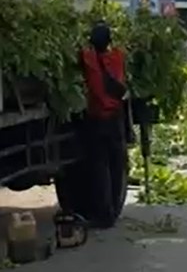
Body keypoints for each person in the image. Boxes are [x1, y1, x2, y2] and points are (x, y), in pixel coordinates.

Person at [77, 22, 129, 228]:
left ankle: (103, 214)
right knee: (116, 166)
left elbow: (81, 53)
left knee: (100, 168)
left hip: (98, 120)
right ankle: (113, 211)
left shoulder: (89, 60)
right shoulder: (118, 58)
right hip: (116, 119)